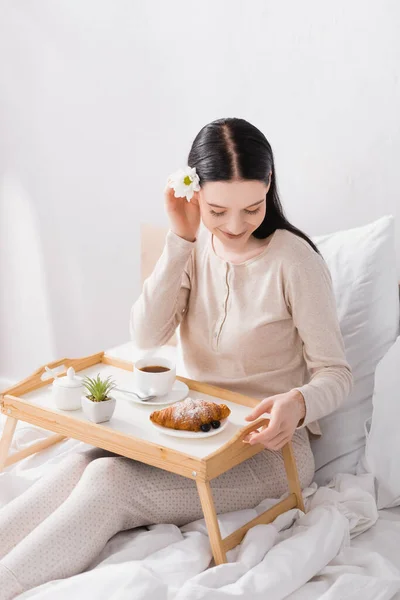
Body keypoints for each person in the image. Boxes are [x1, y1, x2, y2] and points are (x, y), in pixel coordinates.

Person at [0, 117, 353, 599]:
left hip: (269, 451)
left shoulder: (296, 262)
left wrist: (297, 402)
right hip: (188, 433)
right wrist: (181, 240)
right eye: (217, 211)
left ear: (269, 186)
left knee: (110, 484)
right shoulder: (190, 244)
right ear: (195, 193)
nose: (233, 226)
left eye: (251, 208)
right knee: (83, 461)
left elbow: (336, 373)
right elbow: (145, 335)